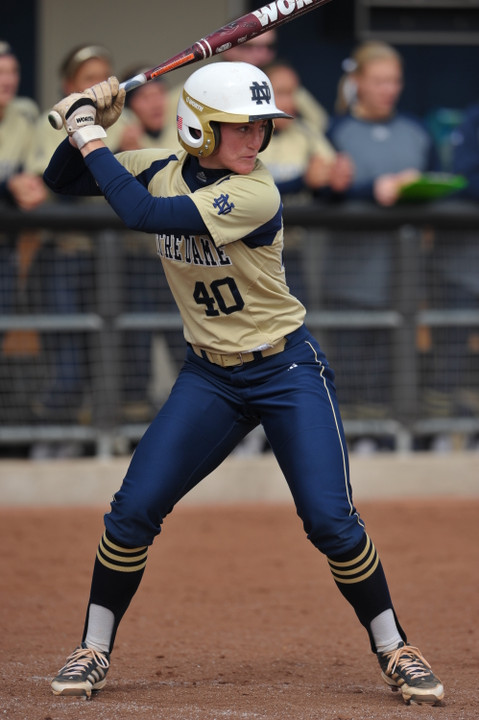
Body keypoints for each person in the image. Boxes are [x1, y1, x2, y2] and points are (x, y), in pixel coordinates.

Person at [43, 62, 444, 706]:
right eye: (237, 127)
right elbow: (61, 182)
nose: (255, 139)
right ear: (199, 128)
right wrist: (89, 125)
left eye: (261, 125)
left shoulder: (257, 192)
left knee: (330, 522)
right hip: (211, 375)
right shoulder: (157, 164)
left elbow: (142, 214)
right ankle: (92, 647)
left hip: (285, 369)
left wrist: (89, 131)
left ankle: (395, 646)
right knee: (132, 511)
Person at [323, 41, 439, 450]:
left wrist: (416, 189)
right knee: (351, 362)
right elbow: (323, 189)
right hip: (350, 274)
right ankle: (356, 438)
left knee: (399, 363)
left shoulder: (416, 130)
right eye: (379, 80)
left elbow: (443, 187)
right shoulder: (335, 130)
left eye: (395, 80)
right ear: (358, 83)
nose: (389, 89)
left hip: (405, 274)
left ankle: (397, 439)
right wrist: (371, 189)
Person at [25, 45, 134, 457]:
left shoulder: (124, 119)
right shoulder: (49, 119)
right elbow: (45, 182)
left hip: (109, 258)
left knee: (109, 355)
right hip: (63, 253)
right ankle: (50, 437)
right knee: (67, 360)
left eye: (105, 75)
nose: (100, 84)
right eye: (89, 77)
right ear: (69, 84)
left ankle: (97, 439)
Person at [0, 41, 47, 426]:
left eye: (12, 71)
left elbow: (30, 180)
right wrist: (8, 187)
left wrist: (28, 186)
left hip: (6, 249)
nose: (7, 80)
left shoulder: (25, 113)